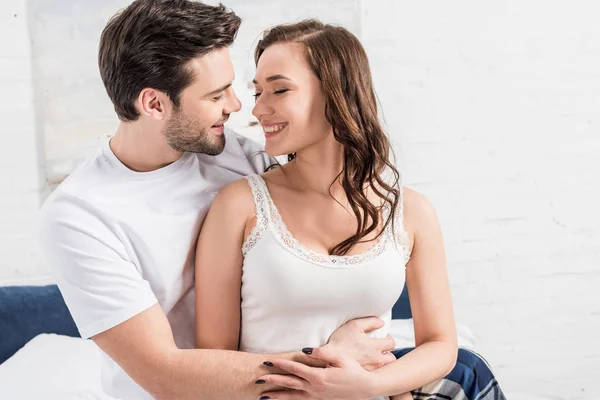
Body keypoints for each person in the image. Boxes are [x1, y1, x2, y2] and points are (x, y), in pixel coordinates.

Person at [39, 2, 399, 399]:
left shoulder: (242, 158)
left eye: (233, 86)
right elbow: (165, 373)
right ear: (154, 104)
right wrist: (329, 362)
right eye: (216, 95)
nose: (237, 105)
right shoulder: (79, 216)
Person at [194, 20, 458, 400]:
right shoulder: (238, 205)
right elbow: (213, 360)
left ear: (337, 93)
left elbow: (440, 344)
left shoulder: (412, 212)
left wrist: (370, 385)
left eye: (279, 90)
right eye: (258, 92)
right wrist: (326, 371)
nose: (259, 109)